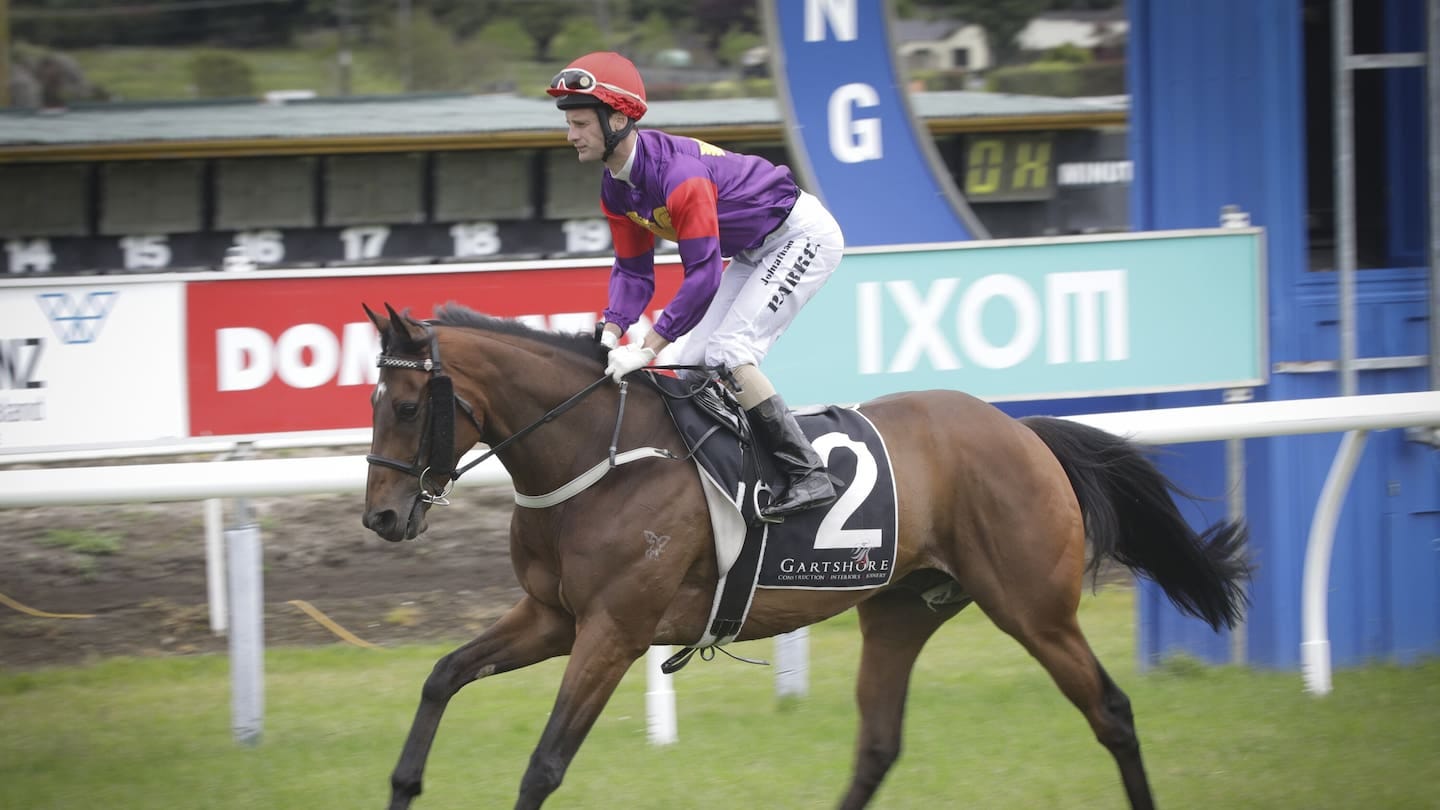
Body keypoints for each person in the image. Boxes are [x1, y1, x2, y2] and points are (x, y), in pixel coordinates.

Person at [547, 51, 844, 520]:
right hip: (753, 249)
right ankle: (733, 465)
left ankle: (808, 473)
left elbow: (702, 273)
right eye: (570, 124)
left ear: (618, 119)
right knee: (685, 365)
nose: (571, 135)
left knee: (729, 351)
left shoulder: (680, 177)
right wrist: (609, 331)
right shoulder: (615, 186)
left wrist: (646, 344)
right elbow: (632, 270)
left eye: (581, 123)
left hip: (800, 235)